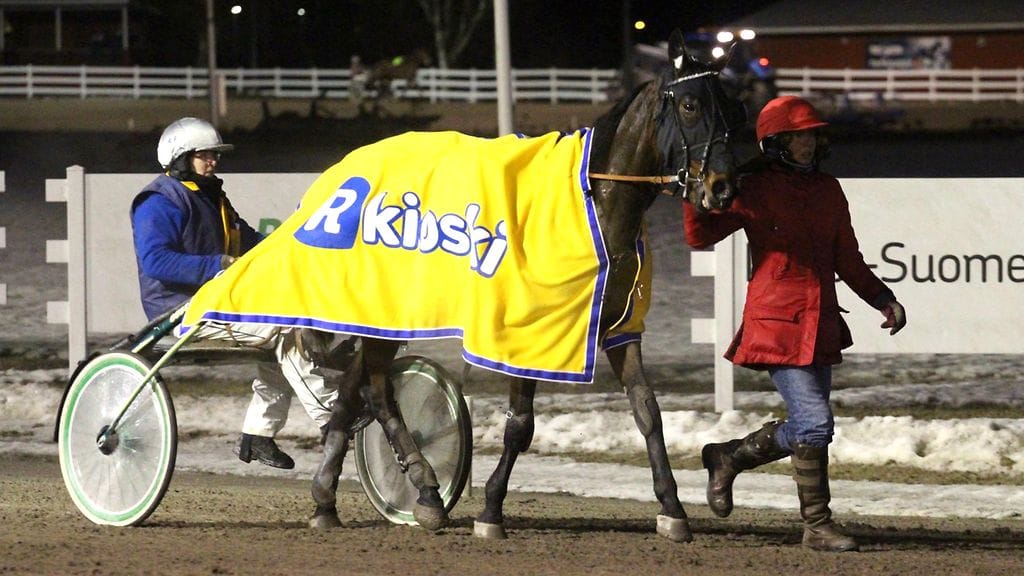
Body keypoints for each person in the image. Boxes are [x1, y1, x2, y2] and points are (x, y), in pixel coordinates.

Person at [683, 96, 907, 552]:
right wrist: (694, 193)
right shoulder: (752, 187)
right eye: (798, 135)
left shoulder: (828, 189)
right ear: (776, 142)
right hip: (776, 323)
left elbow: (847, 257)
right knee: (815, 423)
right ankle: (817, 525)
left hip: (820, 321)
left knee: (809, 427)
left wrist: (882, 298)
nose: (808, 142)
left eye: (811, 135)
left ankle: (727, 457)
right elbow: (698, 235)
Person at [131, 117, 341, 470]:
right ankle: (334, 418)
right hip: (181, 312)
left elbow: (249, 240)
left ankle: (258, 435)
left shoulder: (212, 196)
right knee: (287, 331)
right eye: (204, 155)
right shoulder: (157, 201)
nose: (212, 161)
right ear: (180, 157)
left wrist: (295, 245)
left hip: (218, 304)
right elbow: (156, 261)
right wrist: (220, 264)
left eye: (215, 155)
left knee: (285, 328)